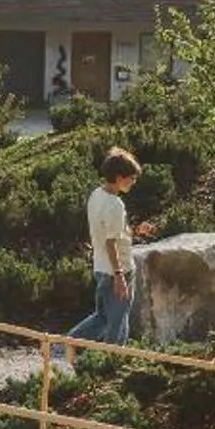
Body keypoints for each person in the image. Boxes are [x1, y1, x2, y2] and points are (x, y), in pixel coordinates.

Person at [68, 146, 145, 350]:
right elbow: (111, 242)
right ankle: (112, 362)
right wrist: (119, 276)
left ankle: (64, 344)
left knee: (102, 317)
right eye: (132, 178)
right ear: (119, 177)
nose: (134, 182)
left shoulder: (96, 195)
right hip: (118, 271)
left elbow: (108, 232)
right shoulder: (115, 204)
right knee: (118, 322)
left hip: (101, 268)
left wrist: (132, 231)